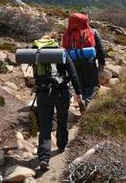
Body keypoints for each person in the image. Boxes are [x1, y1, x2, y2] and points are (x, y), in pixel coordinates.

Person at [32, 35, 82, 171]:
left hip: (43, 93)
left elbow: (36, 75)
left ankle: (43, 158)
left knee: (45, 127)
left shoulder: (37, 53)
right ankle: (61, 145)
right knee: (62, 120)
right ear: (56, 42)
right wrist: (78, 92)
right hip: (61, 93)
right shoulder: (62, 53)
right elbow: (73, 73)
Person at [62, 13, 105, 106]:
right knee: (92, 85)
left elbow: (64, 50)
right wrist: (102, 62)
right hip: (89, 62)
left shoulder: (67, 34)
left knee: (80, 85)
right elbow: (101, 49)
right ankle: (86, 104)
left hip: (74, 63)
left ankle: (81, 101)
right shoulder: (93, 32)